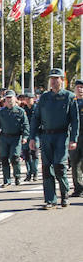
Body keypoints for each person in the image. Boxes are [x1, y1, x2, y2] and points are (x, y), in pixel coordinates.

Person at [29, 68, 79, 208]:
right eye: (52, 78)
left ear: (62, 80)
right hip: (46, 136)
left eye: (56, 78)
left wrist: (73, 139)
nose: (53, 81)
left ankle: (64, 194)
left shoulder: (69, 97)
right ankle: (50, 200)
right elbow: (36, 118)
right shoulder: (44, 97)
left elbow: (75, 120)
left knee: (59, 166)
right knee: (46, 168)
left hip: (62, 136)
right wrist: (32, 137)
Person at [0, 91, 29, 187]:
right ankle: (6, 180)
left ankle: (17, 177)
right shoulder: (1, 112)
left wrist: (25, 136)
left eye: (11, 98)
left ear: (15, 99)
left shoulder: (20, 111)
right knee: (4, 158)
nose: (9, 100)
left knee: (15, 157)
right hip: (4, 137)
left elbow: (25, 124)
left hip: (16, 137)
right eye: (7, 98)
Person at [19, 92, 39, 181]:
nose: (27, 100)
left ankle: (35, 172)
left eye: (29, 98)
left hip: (36, 133)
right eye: (26, 99)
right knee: (26, 154)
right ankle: (29, 172)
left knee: (34, 153)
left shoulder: (37, 109)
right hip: (26, 134)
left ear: (33, 99)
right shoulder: (23, 110)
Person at [68, 79, 83, 196]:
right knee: (75, 162)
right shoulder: (71, 103)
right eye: (78, 87)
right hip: (75, 136)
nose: (80, 89)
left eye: (82, 87)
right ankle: (78, 188)